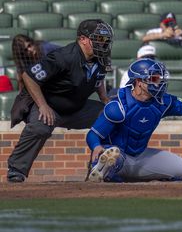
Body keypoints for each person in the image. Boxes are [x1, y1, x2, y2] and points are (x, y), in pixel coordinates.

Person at [7, 19, 114, 183]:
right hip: (50, 105)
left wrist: (104, 98)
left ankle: (99, 167)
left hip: (77, 107)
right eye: (98, 39)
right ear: (83, 39)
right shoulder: (63, 57)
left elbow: (98, 79)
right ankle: (16, 171)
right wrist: (42, 105)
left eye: (105, 39)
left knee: (112, 116)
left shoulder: (101, 57)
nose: (103, 43)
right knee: (39, 128)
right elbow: (28, 76)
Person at [86, 58, 182, 182]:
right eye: (154, 78)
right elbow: (93, 135)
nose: (159, 82)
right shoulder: (118, 106)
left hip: (140, 156)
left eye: (160, 78)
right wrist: (96, 147)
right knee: (113, 155)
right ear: (139, 81)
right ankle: (102, 169)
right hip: (118, 155)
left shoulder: (162, 101)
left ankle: (150, 183)